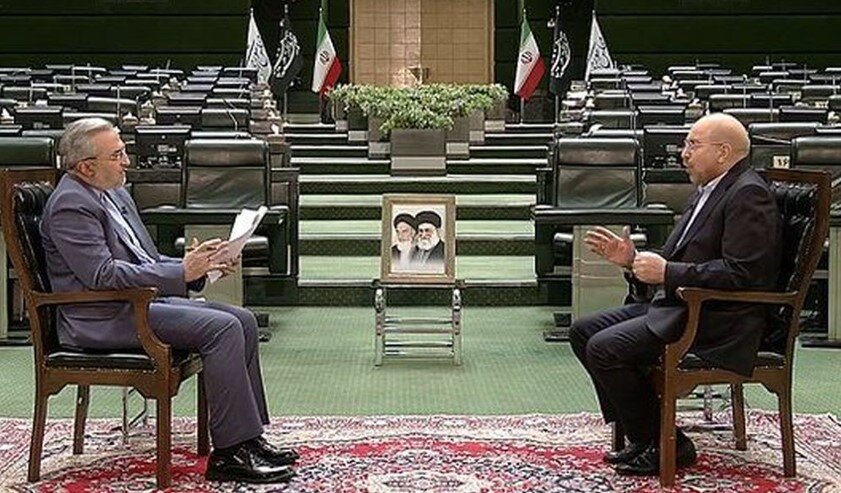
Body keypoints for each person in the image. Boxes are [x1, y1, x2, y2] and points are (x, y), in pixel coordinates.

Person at [40, 118, 297, 485]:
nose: (127, 161)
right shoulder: (71, 204)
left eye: (124, 151)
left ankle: (249, 439)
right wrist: (181, 273)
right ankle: (230, 454)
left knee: (243, 320)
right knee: (222, 328)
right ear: (85, 167)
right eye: (117, 155)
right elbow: (102, 275)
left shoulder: (114, 194)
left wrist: (197, 266)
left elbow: (145, 260)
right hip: (101, 317)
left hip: (134, 305)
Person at [570, 113, 782, 476]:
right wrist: (632, 261)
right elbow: (683, 259)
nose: (683, 153)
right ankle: (645, 434)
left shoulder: (748, 193)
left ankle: (667, 443)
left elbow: (744, 273)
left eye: (693, 145)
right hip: (682, 305)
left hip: (720, 319)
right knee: (582, 331)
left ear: (723, 152)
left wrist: (667, 273)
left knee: (606, 348)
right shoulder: (710, 189)